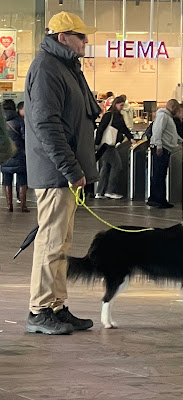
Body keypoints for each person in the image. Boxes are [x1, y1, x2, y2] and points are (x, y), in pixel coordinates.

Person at [24, 11, 101, 335]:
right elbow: (46, 124)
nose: (86, 41)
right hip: (57, 173)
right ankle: (40, 309)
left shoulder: (64, 66)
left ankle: (56, 305)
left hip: (64, 172)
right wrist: (71, 169)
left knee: (60, 242)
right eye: (80, 36)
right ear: (62, 38)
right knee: (51, 242)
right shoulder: (47, 68)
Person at [95, 96, 136, 199]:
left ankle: (100, 191)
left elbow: (123, 128)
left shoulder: (113, 115)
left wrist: (130, 137)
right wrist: (97, 143)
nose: (122, 107)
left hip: (104, 146)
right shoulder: (111, 116)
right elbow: (101, 129)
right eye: (121, 105)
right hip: (108, 145)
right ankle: (110, 190)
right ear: (116, 104)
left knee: (106, 167)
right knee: (117, 165)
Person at [147, 99, 182, 208]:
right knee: (159, 175)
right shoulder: (163, 116)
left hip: (164, 148)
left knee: (159, 175)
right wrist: (159, 145)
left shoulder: (166, 117)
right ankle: (158, 200)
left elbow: (171, 134)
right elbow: (157, 131)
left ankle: (157, 199)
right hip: (161, 149)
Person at [1, 99, 29, 212]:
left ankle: (9, 206)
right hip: (19, 155)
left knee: (7, 180)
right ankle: (23, 205)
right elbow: (25, 137)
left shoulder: (1, 121)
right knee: (22, 180)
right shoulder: (19, 121)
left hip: (5, 155)